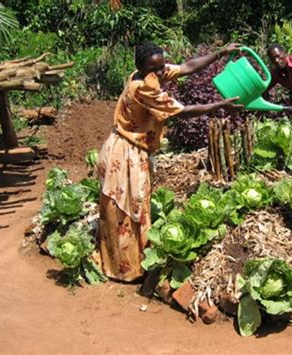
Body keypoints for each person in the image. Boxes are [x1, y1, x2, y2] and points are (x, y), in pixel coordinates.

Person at [95, 42, 242, 282]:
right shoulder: (143, 88)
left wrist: (220, 53)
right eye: (157, 68)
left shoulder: (150, 74)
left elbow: (186, 67)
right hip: (126, 152)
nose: (163, 72)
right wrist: (219, 106)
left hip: (128, 148)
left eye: (163, 65)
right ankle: (128, 269)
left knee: (130, 206)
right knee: (128, 209)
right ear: (142, 68)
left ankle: (127, 264)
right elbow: (180, 111)